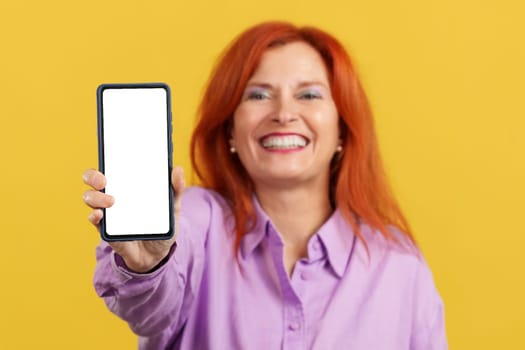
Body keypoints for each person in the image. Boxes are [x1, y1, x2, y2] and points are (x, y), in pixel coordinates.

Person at [83, 21, 447, 349]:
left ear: (341, 129)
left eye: (309, 94)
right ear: (230, 129)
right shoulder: (196, 221)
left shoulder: (400, 267)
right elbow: (149, 312)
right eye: (258, 95)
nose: (283, 113)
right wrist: (149, 267)